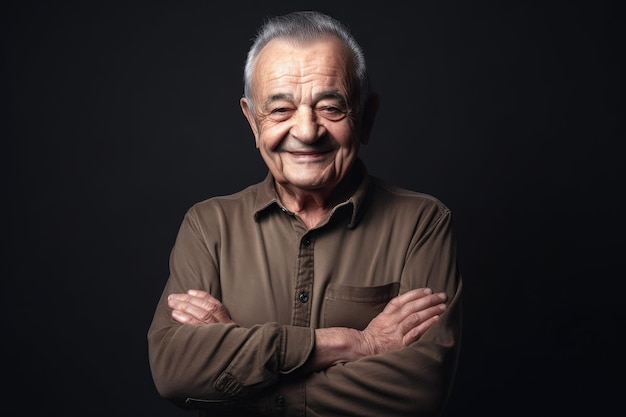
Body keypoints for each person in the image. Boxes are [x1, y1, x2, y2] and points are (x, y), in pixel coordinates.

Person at [147, 10, 462, 417]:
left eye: (331, 107)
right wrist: (355, 344)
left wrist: (242, 363)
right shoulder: (208, 226)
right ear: (252, 122)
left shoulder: (423, 223)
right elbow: (175, 372)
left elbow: (419, 389)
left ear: (366, 117)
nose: (308, 131)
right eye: (280, 110)